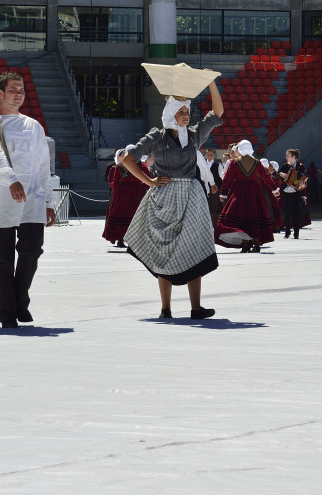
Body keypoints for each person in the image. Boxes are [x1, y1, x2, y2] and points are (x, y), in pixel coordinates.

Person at [119, 80, 224, 319]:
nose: (186, 116)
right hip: (165, 197)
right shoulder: (158, 136)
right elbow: (126, 158)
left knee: (194, 250)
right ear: (170, 114)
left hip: (191, 197)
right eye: (181, 112)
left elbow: (218, 113)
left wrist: (211, 84)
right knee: (163, 252)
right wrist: (149, 181)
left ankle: (196, 308)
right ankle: (165, 308)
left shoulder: (195, 135)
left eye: (187, 112)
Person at [0, 72, 56, 328]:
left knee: (32, 250)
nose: (18, 94)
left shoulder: (34, 126)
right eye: (13, 90)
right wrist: (11, 179)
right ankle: (7, 311)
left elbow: (43, 166)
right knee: (2, 257)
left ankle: (21, 300)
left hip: (32, 197)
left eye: (21, 90)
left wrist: (49, 202)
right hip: (1, 198)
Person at [215, 140, 278, 254]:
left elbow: (227, 179)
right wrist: (274, 188)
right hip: (254, 192)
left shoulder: (234, 163)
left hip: (239, 192)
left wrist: (223, 193)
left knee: (241, 216)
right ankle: (257, 243)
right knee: (254, 216)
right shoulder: (257, 162)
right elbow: (265, 176)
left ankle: (245, 245)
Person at [102, 148, 151, 247]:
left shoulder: (120, 166)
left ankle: (120, 239)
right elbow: (148, 179)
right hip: (137, 193)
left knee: (120, 215)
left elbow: (115, 183)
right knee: (134, 216)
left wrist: (117, 194)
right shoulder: (141, 165)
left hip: (122, 193)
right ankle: (134, 239)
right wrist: (147, 189)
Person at [279, 148, 310, 239]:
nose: (286, 157)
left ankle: (296, 233)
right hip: (285, 191)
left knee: (296, 212)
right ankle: (287, 232)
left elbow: (303, 178)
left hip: (296, 192)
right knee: (287, 212)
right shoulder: (285, 166)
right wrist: (281, 174)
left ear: (293, 157)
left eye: (288, 156)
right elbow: (276, 174)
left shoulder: (300, 167)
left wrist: (303, 183)